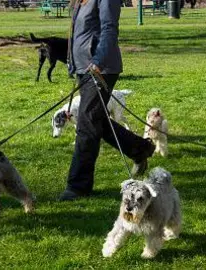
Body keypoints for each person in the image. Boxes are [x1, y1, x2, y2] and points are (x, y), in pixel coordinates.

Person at [60, 0, 155, 201]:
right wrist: (73, 62)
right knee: (96, 120)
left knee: (87, 124)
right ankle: (140, 149)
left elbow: (109, 28)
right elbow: (78, 32)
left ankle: (78, 186)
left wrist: (98, 61)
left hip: (100, 70)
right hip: (83, 68)